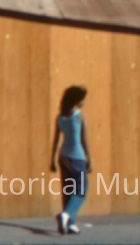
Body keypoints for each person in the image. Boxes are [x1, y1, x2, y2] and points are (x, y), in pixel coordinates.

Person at [50, 85, 90, 235]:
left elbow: (55, 140)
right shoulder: (79, 116)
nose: (84, 102)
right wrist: (89, 159)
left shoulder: (60, 117)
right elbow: (84, 139)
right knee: (81, 189)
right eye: (82, 99)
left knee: (68, 190)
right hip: (77, 157)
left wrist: (52, 159)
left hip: (63, 156)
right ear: (77, 101)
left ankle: (70, 225)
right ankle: (66, 215)